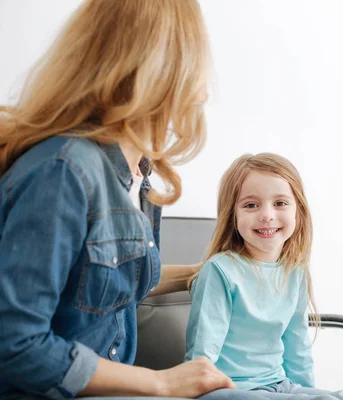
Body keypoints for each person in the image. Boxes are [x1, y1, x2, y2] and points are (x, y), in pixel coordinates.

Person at [0, 0, 236, 398]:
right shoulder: (64, 172)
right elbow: (15, 343)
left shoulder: (138, 175)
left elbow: (107, 284)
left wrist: (202, 272)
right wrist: (161, 381)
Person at [184, 153, 343, 400]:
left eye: (280, 203)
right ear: (232, 215)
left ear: (298, 210)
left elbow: (296, 346)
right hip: (226, 389)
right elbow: (203, 350)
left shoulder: (294, 271)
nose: (267, 215)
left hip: (278, 385)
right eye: (251, 205)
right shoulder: (220, 270)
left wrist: (307, 391)